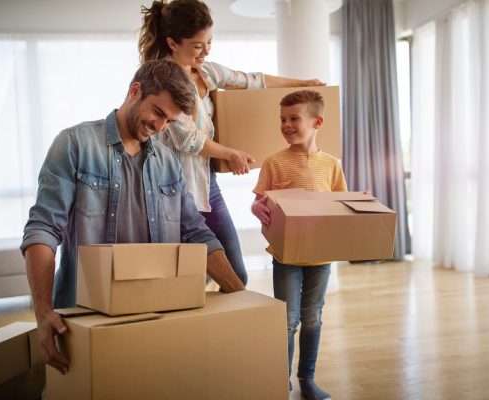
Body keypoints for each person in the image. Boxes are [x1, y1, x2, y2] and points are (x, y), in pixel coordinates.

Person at [20, 59, 245, 375]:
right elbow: (43, 229)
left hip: (155, 317)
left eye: (169, 121)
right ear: (135, 91)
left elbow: (195, 232)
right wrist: (43, 312)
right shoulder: (74, 145)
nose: (160, 127)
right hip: (84, 320)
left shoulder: (167, 162)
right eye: (157, 113)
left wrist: (242, 296)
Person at [139, 0, 325, 287]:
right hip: (171, 189)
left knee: (235, 274)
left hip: (205, 183)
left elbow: (252, 80)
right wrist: (231, 154)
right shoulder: (162, 79)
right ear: (172, 43)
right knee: (186, 279)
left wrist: (303, 83)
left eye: (209, 42)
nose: (207, 50)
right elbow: (188, 139)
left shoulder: (207, 72)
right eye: (198, 45)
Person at [251, 90, 347, 400]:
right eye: (282, 119)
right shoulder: (274, 162)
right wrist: (257, 208)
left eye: (294, 118)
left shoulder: (332, 165)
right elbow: (259, 201)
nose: (286, 124)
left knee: (312, 317)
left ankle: (307, 378)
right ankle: (283, 381)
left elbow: (340, 207)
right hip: (286, 255)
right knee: (287, 321)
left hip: (320, 256)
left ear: (317, 121)